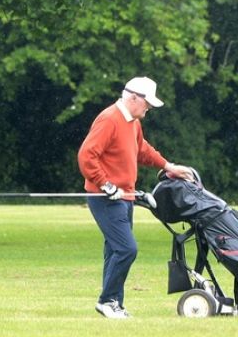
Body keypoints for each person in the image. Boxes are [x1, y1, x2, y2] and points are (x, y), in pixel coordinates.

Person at [77, 76, 196, 318]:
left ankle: (115, 303)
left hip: (125, 196)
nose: (149, 109)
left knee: (114, 250)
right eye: (147, 104)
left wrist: (167, 165)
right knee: (126, 249)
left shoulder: (132, 122)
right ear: (133, 98)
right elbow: (87, 156)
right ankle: (107, 301)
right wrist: (105, 184)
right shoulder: (109, 119)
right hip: (105, 198)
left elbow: (141, 149)